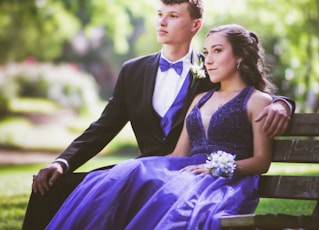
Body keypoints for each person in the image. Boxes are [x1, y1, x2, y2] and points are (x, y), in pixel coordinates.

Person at [22, 1, 294, 229]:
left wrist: (283, 104)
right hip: (153, 169)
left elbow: (248, 93)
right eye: (160, 14)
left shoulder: (211, 69)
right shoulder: (133, 71)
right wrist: (62, 162)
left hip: (183, 178)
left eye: (173, 16)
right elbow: (103, 126)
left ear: (195, 25)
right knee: (51, 189)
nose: (161, 22)